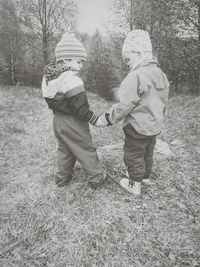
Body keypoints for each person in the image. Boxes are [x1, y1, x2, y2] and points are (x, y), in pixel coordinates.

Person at [96, 29, 170, 195]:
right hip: (154, 126)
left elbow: (124, 105)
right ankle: (145, 177)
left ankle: (134, 184)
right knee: (147, 152)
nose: (126, 63)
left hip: (136, 127)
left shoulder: (135, 76)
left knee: (133, 154)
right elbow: (164, 100)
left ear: (138, 53)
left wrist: (106, 119)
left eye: (128, 59)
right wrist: (159, 118)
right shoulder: (160, 74)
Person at [41, 32, 106, 189]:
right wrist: (95, 119)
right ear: (65, 60)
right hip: (74, 122)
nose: (81, 66)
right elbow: (81, 109)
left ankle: (62, 178)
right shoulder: (72, 79)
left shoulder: (48, 78)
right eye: (79, 61)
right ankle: (96, 178)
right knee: (85, 148)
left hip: (58, 121)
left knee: (65, 149)